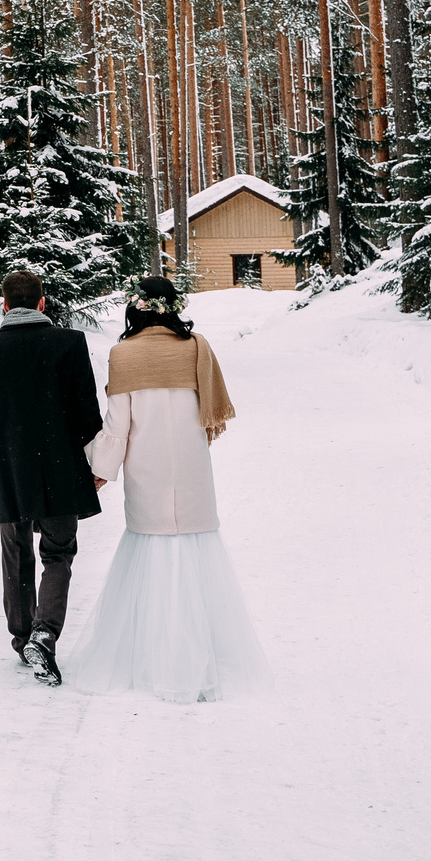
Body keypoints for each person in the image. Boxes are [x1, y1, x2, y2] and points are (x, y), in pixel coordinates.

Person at [68, 276, 269, 701]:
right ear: (171, 307)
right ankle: (202, 661)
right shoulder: (197, 347)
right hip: (193, 468)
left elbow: (118, 427)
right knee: (196, 561)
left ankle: (153, 660)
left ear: (136, 308)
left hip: (148, 469)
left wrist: (99, 470)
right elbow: (209, 410)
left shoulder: (123, 355)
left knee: (152, 555)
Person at [0, 268, 106, 687]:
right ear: (42, 303)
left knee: (16, 552)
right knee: (58, 553)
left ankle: (22, 636)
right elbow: (87, 413)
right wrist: (93, 464)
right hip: (62, 468)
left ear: (5, 305)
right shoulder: (70, 343)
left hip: (10, 471)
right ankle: (44, 634)